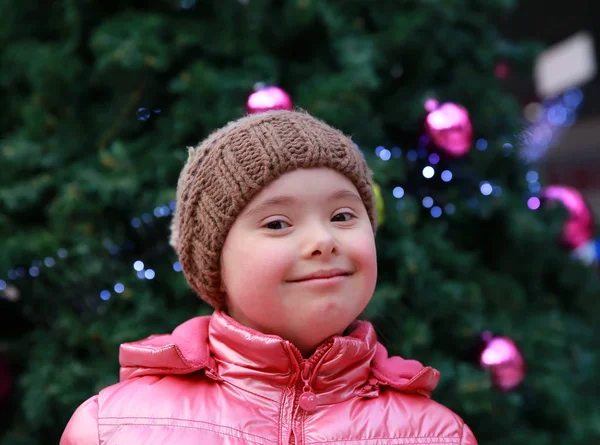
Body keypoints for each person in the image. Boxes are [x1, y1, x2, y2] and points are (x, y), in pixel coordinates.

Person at [61, 110, 478, 445]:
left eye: (342, 216)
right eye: (278, 223)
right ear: (216, 265)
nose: (323, 240)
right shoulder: (113, 429)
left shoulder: (438, 434)